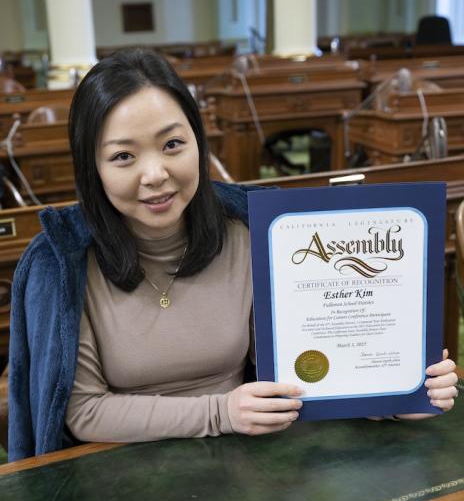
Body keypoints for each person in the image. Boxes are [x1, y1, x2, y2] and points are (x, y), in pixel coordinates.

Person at [7, 48, 458, 462]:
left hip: (247, 460)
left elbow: (306, 371)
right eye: (124, 156)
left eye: (172, 145)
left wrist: (400, 395)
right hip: (119, 466)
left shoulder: (248, 232)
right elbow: (83, 411)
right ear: (94, 168)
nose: (155, 174)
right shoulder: (66, 262)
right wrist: (219, 413)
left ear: (199, 145)